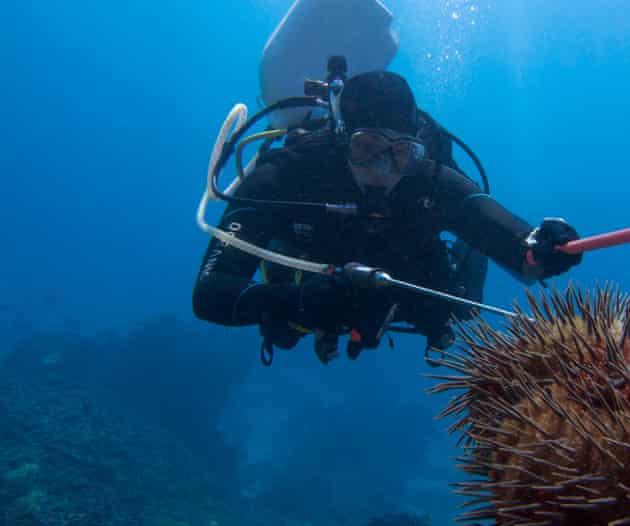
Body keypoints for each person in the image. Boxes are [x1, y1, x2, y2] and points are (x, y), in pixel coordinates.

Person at [192, 70, 582, 364]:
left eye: (401, 154)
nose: (384, 169)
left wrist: (540, 248)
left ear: (418, 151)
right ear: (341, 139)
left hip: (408, 273)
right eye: (367, 148)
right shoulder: (286, 176)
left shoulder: (429, 179)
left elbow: (505, 235)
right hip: (307, 284)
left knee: (459, 309)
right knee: (286, 328)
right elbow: (209, 295)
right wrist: (293, 302)